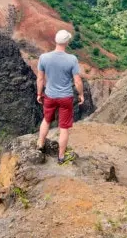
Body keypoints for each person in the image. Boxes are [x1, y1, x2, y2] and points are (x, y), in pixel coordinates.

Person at [36, 29, 84, 164]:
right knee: (64, 128)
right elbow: (77, 81)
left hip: (50, 96)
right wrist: (81, 94)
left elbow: (40, 79)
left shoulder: (44, 58)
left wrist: (39, 93)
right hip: (65, 98)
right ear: (67, 42)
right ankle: (61, 157)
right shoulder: (72, 59)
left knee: (46, 120)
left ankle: (40, 144)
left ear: (55, 41)